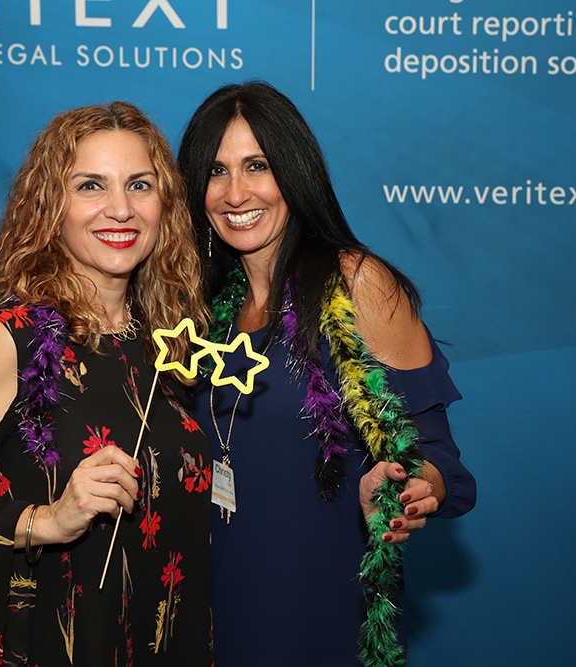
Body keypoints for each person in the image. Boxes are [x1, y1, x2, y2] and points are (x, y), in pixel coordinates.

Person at [0, 102, 212, 666]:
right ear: (51, 207)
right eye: (90, 185)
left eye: (140, 184)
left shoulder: (170, 344)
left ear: (166, 206)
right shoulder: (14, 342)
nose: (121, 208)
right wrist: (46, 520)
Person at [177, 81, 476, 666]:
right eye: (216, 171)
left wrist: (410, 489)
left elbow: (435, 455)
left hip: (315, 603)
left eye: (257, 166)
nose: (235, 193)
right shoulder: (200, 309)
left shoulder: (357, 284)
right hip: (206, 603)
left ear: (294, 172)